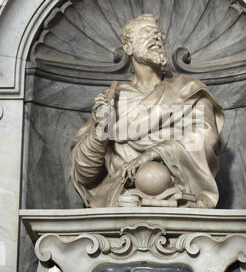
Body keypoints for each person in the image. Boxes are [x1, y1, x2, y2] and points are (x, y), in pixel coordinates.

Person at [70, 14, 223, 208]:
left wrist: (155, 153)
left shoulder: (187, 90)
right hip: (122, 197)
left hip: (180, 194)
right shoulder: (113, 100)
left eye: (158, 34)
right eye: (146, 33)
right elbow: (85, 173)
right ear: (128, 48)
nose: (156, 38)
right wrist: (101, 129)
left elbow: (206, 138)